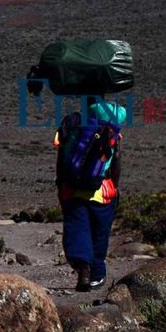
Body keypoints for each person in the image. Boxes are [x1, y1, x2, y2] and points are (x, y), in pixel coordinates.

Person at [55, 96, 126, 292]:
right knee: (99, 234)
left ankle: (83, 270)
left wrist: (61, 185)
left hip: (72, 190)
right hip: (102, 192)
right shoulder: (111, 131)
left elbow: (62, 158)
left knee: (78, 230)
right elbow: (117, 158)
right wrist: (115, 186)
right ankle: (96, 273)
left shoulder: (72, 126)